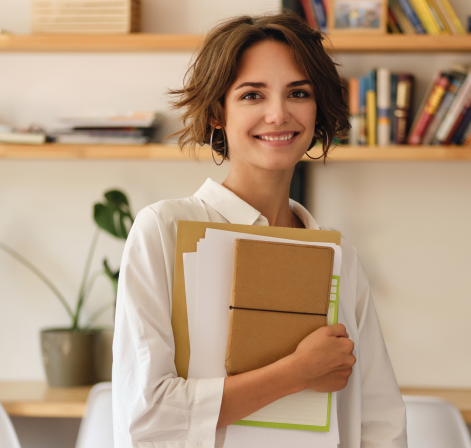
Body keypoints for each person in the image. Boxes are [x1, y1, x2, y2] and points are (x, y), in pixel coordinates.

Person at [112, 13, 407, 448]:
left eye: (298, 93)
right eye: (252, 95)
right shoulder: (165, 230)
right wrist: (297, 372)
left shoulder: (340, 257)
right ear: (217, 113)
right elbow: (149, 418)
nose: (278, 114)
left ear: (317, 110)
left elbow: (381, 425)